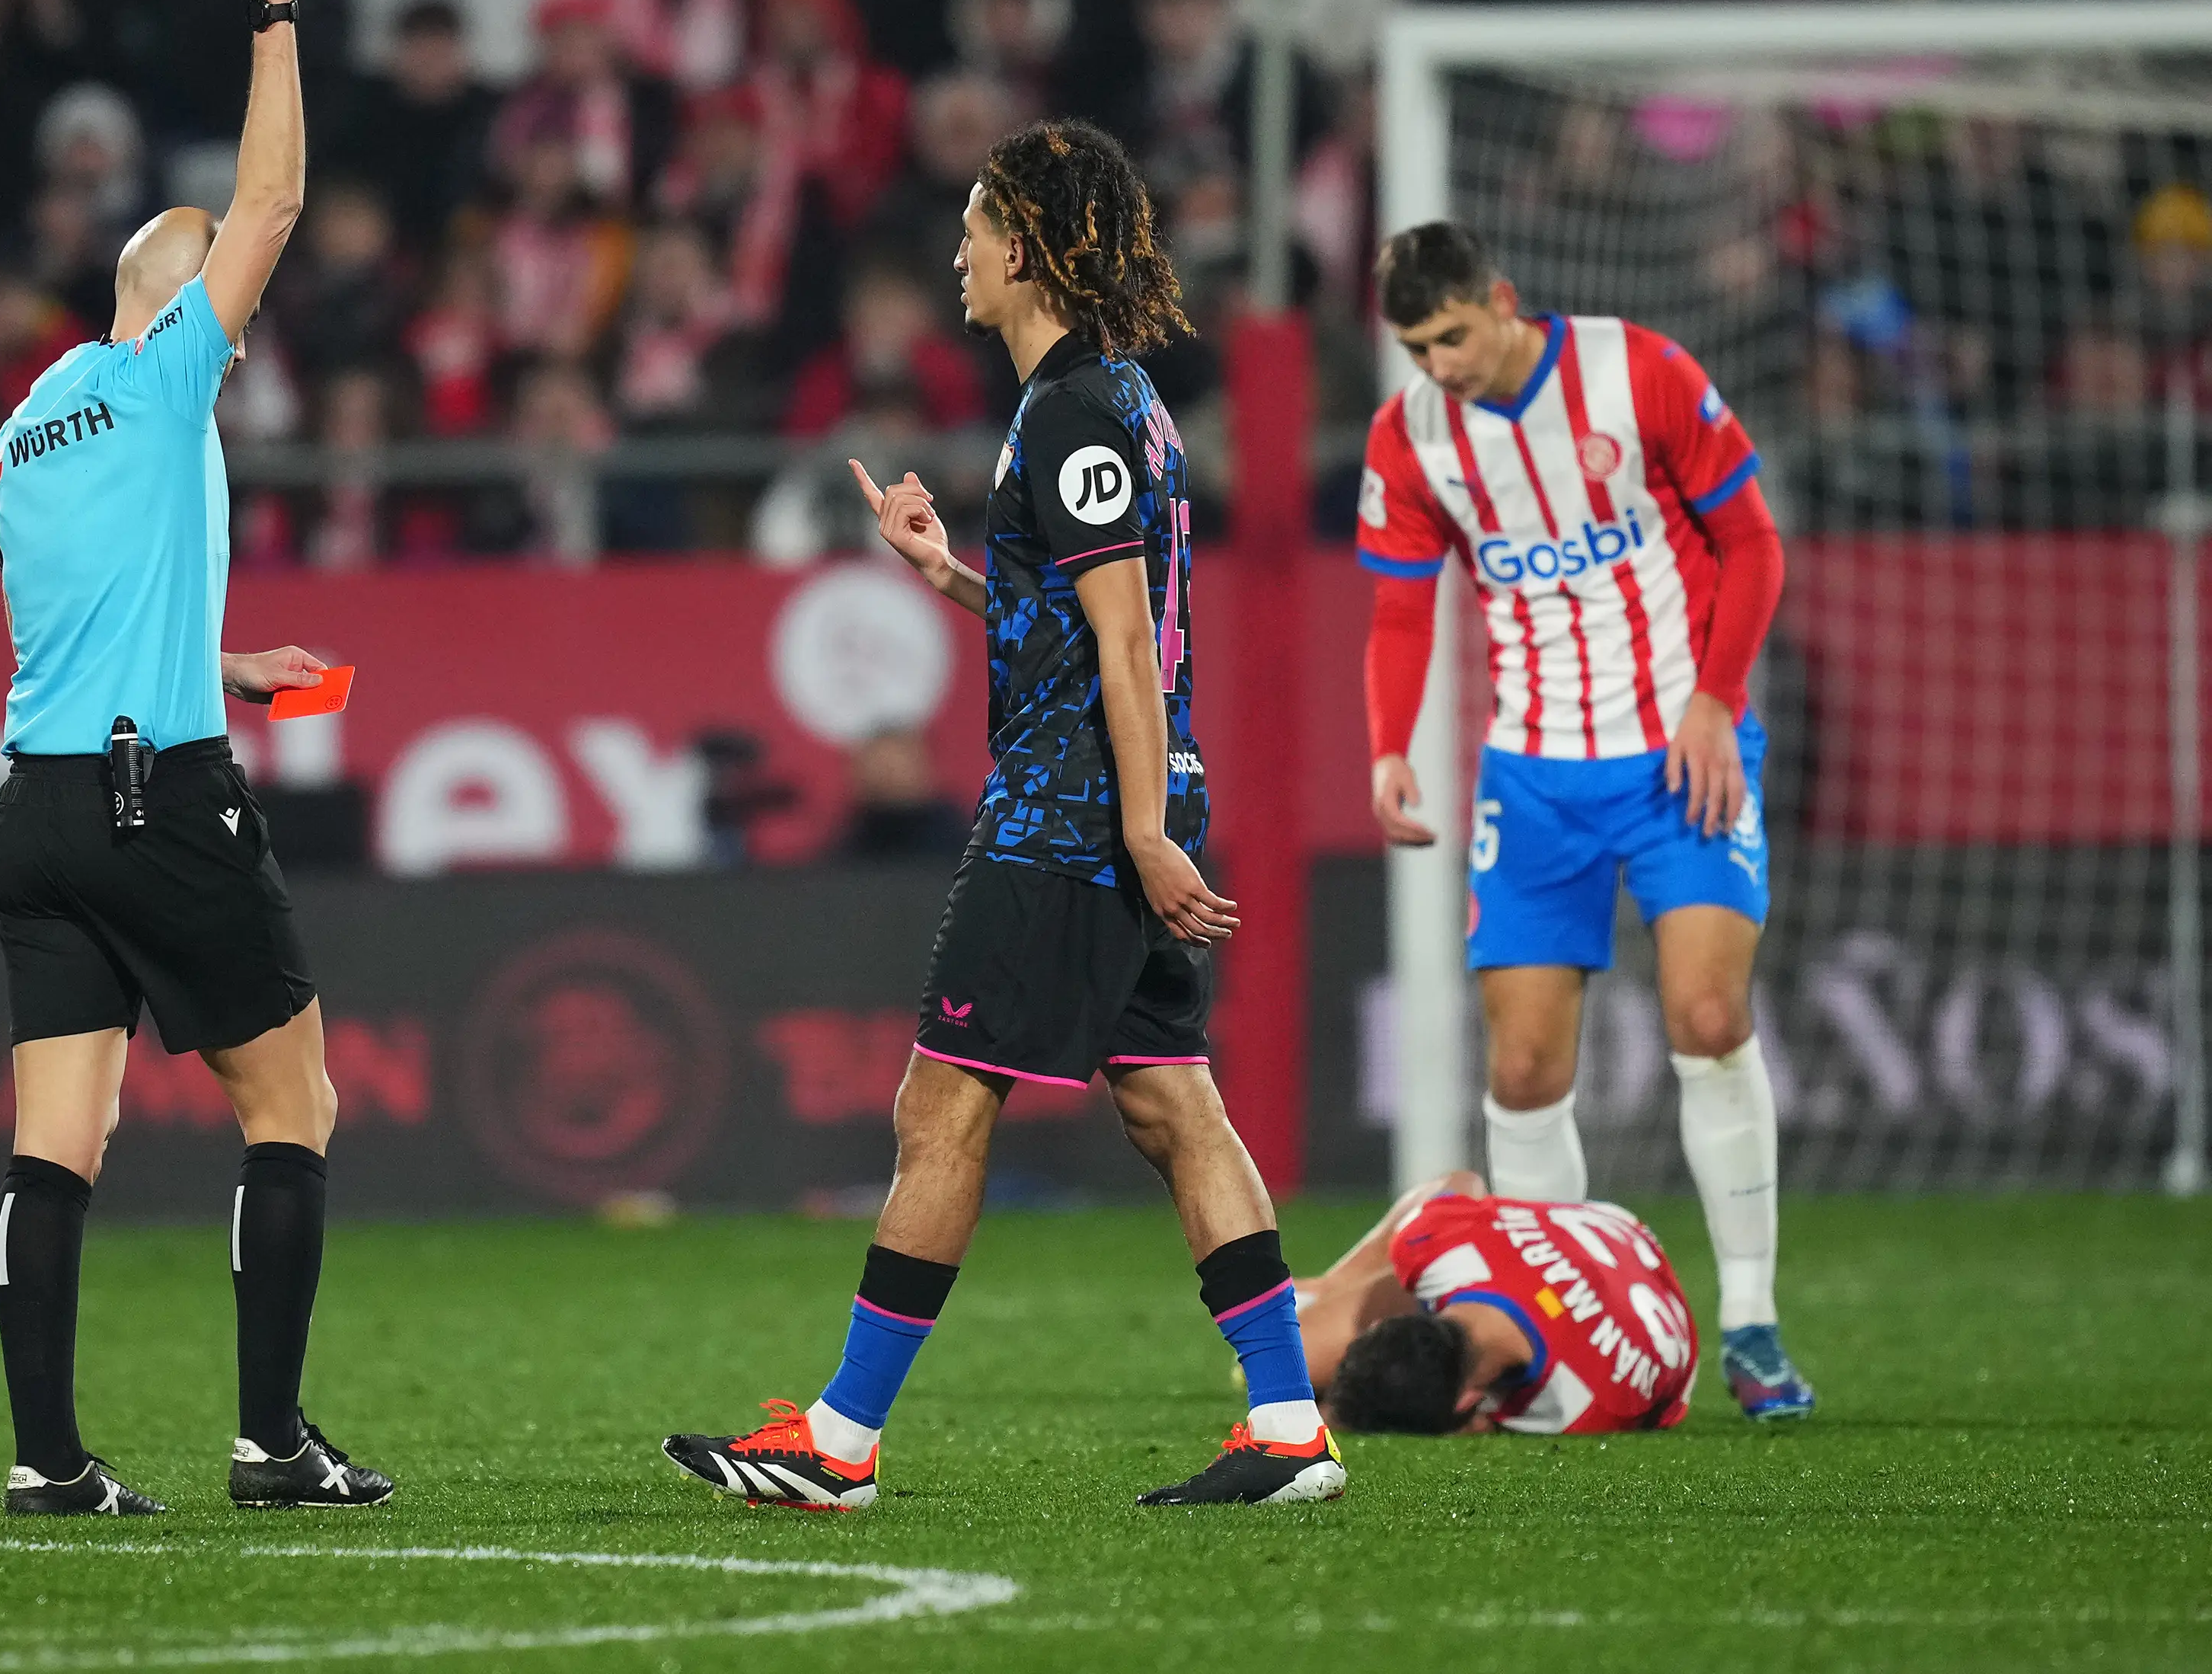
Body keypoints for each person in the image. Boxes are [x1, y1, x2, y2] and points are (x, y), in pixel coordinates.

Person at [663, 121, 1345, 1512]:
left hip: (1072, 819)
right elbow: (1084, 619)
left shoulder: (1072, 413)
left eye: (977, 227)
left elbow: (1125, 651)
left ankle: (839, 1444)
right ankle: (1287, 1426)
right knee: (1173, 1108)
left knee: (940, 1105)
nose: (959, 253)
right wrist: (952, 577)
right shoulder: (1123, 397)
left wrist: (1142, 831)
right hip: (1117, 802)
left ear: (1026, 246)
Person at [0, 0, 392, 1517]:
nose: (243, 332)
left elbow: (73, 620)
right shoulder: (161, 375)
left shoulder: (23, 429)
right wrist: (275, 7)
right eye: (225, 303)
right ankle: (273, 1440)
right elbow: (273, 196)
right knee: (298, 1101)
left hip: (41, 806)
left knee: (52, 1145)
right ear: (174, 297)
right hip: (163, 803)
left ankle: (47, 1458)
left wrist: (216, 656)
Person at [1357, 221, 1811, 1421]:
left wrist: (1717, 699)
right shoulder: (1409, 437)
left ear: (1500, 302)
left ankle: (1754, 1325)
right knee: (1521, 1065)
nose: (1440, 363)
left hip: (1682, 753)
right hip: (1534, 776)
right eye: (1418, 346)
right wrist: (1392, 744)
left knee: (1709, 1016)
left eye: (1453, 334)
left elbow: (1752, 543)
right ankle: (1560, 1324)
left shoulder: (1640, 370)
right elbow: (1402, 610)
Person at [1290, 1173, 1700, 1436]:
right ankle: (1327, 1286)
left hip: (1629, 1259)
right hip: (1600, 1235)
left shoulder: (1585, 1405)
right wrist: (1340, 1284)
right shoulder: (1440, 1246)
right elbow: (1459, 1182)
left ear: (1470, 1404)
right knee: (1296, 1359)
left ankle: (1326, 1302)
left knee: (1313, 1378)